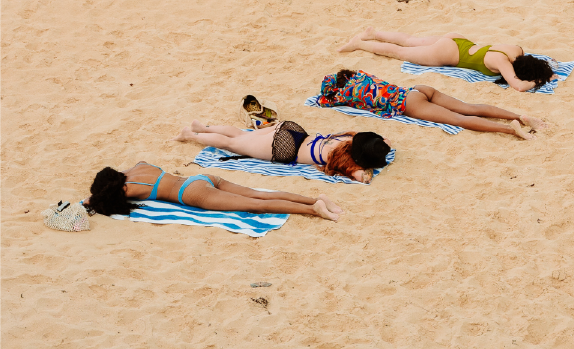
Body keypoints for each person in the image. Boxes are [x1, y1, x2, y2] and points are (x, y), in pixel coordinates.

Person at [317, 69, 544, 139]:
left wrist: (330, 95)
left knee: (459, 120)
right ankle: (519, 116)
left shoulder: (345, 94)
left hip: (408, 104)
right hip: (416, 89)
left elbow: (324, 101)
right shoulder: (359, 76)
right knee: (469, 107)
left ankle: (511, 130)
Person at [87, 162, 343, 221]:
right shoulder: (139, 167)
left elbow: (96, 200)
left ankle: (313, 210)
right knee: (258, 194)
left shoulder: (129, 189)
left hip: (192, 193)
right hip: (202, 177)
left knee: (256, 206)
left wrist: (91, 198)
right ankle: (316, 198)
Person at [338, 26, 554, 92]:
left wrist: (547, 72)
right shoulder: (502, 63)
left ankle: (373, 33)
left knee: (410, 39)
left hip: (459, 41)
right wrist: (540, 81)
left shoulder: (516, 49)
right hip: (448, 55)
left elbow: (537, 62)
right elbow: (517, 86)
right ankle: (360, 44)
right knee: (401, 53)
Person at [174, 121, 392, 184]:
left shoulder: (346, 137)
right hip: (284, 148)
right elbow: (361, 177)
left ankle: (203, 128)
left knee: (241, 134)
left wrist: (382, 144)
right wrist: (367, 168)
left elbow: (384, 140)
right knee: (233, 145)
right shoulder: (344, 161)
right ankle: (191, 136)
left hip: (293, 130)